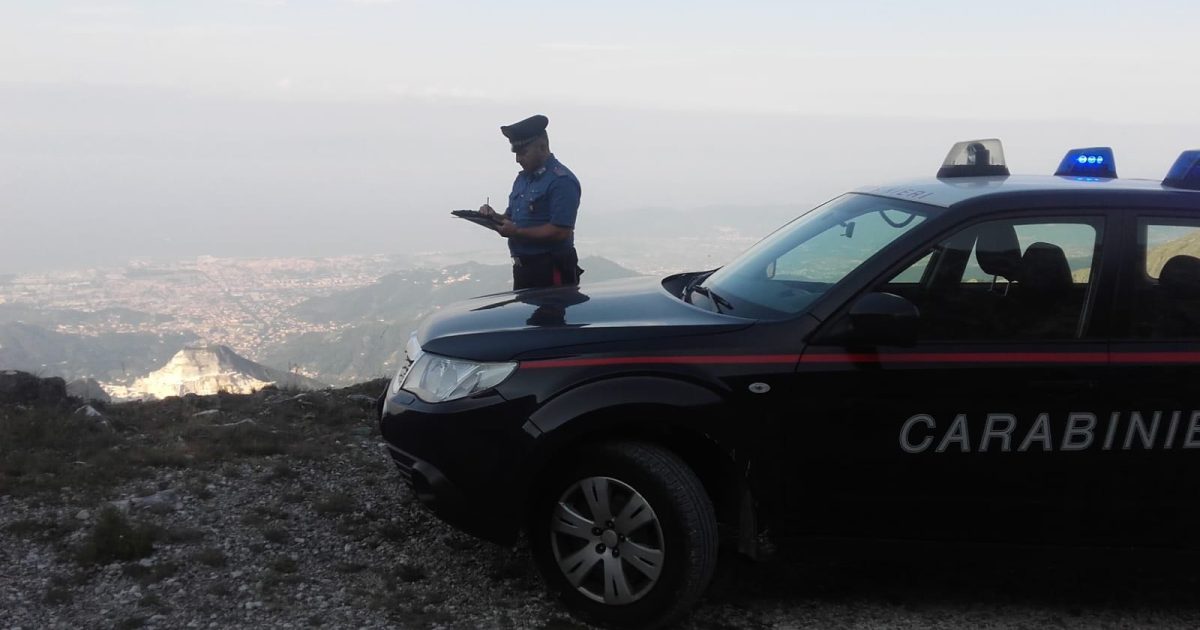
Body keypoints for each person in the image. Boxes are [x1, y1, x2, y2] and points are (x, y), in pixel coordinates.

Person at [478, 114, 583, 290]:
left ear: (542, 147)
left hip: (550, 269)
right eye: (516, 153)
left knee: (550, 317)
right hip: (523, 269)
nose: (518, 159)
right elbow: (511, 219)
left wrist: (516, 231)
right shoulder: (523, 180)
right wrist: (492, 216)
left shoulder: (561, 181)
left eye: (523, 152)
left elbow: (560, 231)